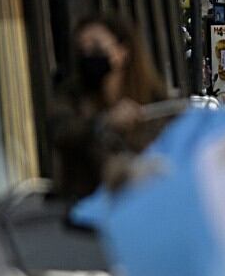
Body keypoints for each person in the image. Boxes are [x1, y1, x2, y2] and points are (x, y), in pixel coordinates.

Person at [49, 15, 165, 201]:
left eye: (95, 47)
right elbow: (61, 131)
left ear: (122, 51)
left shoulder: (153, 98)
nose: (87, 54)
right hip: (86, 206)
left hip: (143, 203)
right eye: (82, 49)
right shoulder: (71, 96)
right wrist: (103, 123)